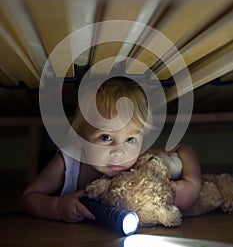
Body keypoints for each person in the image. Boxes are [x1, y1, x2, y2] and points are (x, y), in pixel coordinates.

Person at [22, 76, 201, 223]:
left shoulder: (139, 158)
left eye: (130, 139)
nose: (119, 152)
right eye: (106, 137)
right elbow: (30, 197)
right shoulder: (67, 162)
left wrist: (192, 184)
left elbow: (184, 150)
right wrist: (57, 207)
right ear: (81, 138)